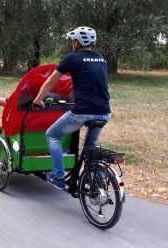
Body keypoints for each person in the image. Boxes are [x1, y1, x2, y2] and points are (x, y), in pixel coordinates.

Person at [33, 26, 111, 189]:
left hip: (82, 112)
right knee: (92, 144)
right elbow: (91, 81)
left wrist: (39, 99)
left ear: (77, 42)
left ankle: (58, 176)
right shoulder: (101, 58)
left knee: (52, 135)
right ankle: (99, 177)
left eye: (72, 41)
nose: (72, 44)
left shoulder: (72, 58)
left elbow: (50, 81)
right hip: (104, 112)